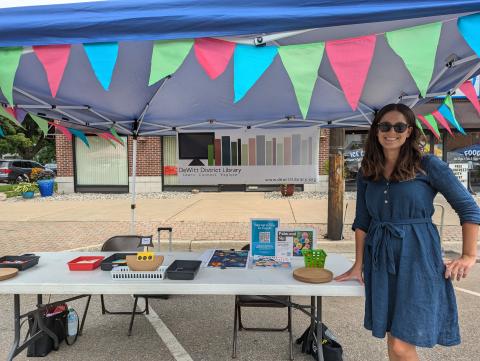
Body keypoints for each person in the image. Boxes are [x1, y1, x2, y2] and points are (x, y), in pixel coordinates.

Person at [334, 103, 479, 361]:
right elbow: (362, 222)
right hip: (380, 259)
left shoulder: (428, 165)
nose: (391, 132)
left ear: (409, 131)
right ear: (376, 131)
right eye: (385, 126)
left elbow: (468, 207)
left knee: (402, 344)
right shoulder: (368, 170)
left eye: (399, 126)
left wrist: (469, 255)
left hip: (418, 257)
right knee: (393, 338)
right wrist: (359, 264)